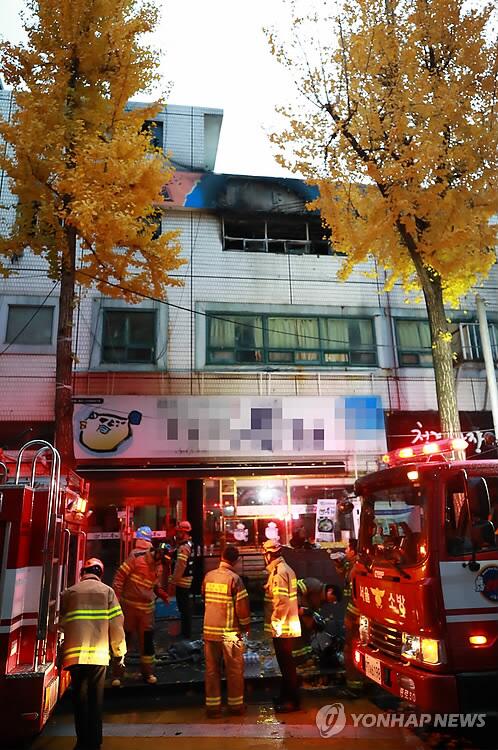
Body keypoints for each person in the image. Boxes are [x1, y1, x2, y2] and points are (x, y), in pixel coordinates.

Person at [60, 557, 126, 750]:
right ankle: (95, 743)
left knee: (79, 701)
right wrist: (119, 654)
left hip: (75, 656)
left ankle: (82, 742)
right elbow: (117, 626)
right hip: (98, 655)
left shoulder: (69, 593)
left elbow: (61, 624)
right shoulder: (107, 592)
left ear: (83, 573)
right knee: (95, 701)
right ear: (100, 574)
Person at [112, 525, 169, 685]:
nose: (159, 564)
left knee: (147, 643)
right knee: (124, 641)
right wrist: (116, 600)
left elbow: (153, 584)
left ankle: (148, 673)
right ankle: (117, 675)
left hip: (146, 611)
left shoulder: (158, 564)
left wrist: (160, 592)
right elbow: (119, 578)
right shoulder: (136, 558)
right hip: (129, 607)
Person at [202, 544, 251, 717]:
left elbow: (204, 598)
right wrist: (245, 627)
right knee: (234, 669)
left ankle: (213, 708)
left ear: (221, 557)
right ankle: (235, 706)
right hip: (230, 632)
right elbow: (242, 608)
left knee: (212, 669)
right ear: (235, 561)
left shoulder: (208, 576)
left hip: (210, 630)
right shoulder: (235, 579)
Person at [263, 539, 302, 713]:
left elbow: (282, 602)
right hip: (287, 625)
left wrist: (276, 624)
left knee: (287, 666)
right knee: (286, 665)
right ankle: (285, 697)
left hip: (283, 628)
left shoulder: (279, 573)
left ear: (269, 555)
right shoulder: (283, 569)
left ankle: (291, 701)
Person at [293, 578, 342, 669]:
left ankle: (303, 660)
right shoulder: (315, 585)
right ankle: (298, 661)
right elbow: (297, 589)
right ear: (330, 591)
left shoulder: (321, 602)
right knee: (297, 639)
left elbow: (311, 611)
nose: (331, 602)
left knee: (304, 637)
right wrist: (298, 607)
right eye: (333, 599)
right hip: (293, 611)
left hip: (301, 617)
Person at [336, 538, 363, 695]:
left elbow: (357, 598)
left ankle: (354, 687)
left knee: (350, 650)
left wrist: (349, 617)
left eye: (347, 549)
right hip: (357, 618)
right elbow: (344, 576)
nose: (345, 551)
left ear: (353, 551)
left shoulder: (357, 569)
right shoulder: (353, 565)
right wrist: (338, 564)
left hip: (356, 619)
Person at [169, 520, 194, 639]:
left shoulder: (184, 547)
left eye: (179, 532)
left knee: (184, 608)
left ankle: (186, 634)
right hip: (184, 580)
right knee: (184, 608)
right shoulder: (186, 544)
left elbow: (180, 566)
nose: (177, 534)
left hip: (182, 582)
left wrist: (173, 581)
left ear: (184, 532)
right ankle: (185, 632)